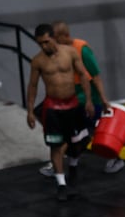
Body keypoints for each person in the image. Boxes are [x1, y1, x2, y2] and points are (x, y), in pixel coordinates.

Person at [38, 20, 125, 176]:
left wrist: (103, 100)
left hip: (87, 98)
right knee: (71, 132)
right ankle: (64, 163)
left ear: (65, 36)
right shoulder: (57, 53)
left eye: (56, 38)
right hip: (71, 98)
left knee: (93, 130)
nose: (53, 43)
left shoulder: (82, 50)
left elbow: (96, 77)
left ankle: (115, 158)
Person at [26, 23, 94, 201]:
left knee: (78, 142)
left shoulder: (70, 52)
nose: (44, 46)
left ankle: (73, 166)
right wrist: (30, 111)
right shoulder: (38, 61)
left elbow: (84, 76)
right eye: (40, 43)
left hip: (72, 104)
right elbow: (32, 86)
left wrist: (88, 100)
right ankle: (61, 184)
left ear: (54, 38)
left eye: (46, 42)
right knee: (56, 146)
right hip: (53, 108)